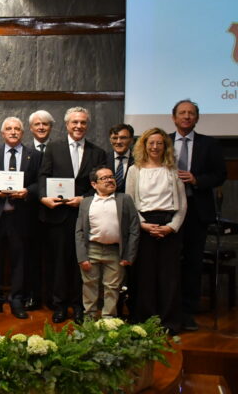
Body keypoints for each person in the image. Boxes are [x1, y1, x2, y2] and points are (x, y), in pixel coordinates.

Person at [39, 106, 107, 323]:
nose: (79, 126)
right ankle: (59, 306)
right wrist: (43, 198)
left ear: (87, 125)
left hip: (85, 216)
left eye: (83, 123)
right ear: (67, 125)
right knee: (58, 262)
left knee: (82, 263)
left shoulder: (98, 153)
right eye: (74, 122)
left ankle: (80, 306)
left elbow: (100, 185)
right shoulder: (53, 148)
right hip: (57, 215)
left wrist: (84, 200)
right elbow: (43, 176)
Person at [170, 99, 227, 331]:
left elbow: (220, 174)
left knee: (193, 262)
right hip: (168, 210)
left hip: (196, 210)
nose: (186, 116)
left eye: (191, 113)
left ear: (197, 118)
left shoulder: (209, 144)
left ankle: (187, 311)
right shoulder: (161, 141)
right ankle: (168, 308)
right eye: (182, 113)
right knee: (170, 261)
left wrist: (197, 180)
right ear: (174, 117)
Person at [126, 127, 187, 334]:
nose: (155, 147)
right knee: (145, 277)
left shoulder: (172, 169)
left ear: (165, 146)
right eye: (151, 143)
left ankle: (169, 323)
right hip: (144, 225)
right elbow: (130, 202)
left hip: (168, 226)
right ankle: (145, 323)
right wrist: (142, 224)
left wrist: (172, 226)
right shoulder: (135, 170)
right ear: (144, 145)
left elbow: (183, 203)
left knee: (169, 278)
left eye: (159, 143)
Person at [0, 117, 40, 319]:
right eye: (9, 129)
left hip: (21, 217)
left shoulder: (35, 155)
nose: (13, 132)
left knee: (19, 262)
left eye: (17, 129)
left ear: (23, 133)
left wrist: (27, 192)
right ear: (2, 133)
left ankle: (17, 300)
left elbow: (40, 183)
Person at [75, 166, 140, 320]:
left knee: (112, 287)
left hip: (115, 252)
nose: (110, 180)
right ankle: (89, 319)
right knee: (89, 286)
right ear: (94, 184)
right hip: (92, 250)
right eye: (104, 178)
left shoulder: (124, 199)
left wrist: (129, 255)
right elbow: (79, 231)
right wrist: (82, 257)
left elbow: (134, 228)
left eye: (111, 177)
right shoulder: (86, 203)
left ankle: (108, 320)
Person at [24, 109, 54, 311]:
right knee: (30, 260)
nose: (41, 127)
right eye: (37, 124)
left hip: (54, 214)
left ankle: (52, 298)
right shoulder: (24, 152)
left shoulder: (59, 149)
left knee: (53, 259)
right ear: (31, 128)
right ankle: (32, 297)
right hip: (29, 214)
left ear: (51, 127)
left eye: (45, 124)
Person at [107, 123, 135, 193]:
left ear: (131, 140)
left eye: (123, 138)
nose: (118, 142)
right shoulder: (102, 159)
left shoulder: (139, 160)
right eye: (114, 138)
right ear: (110, 140)